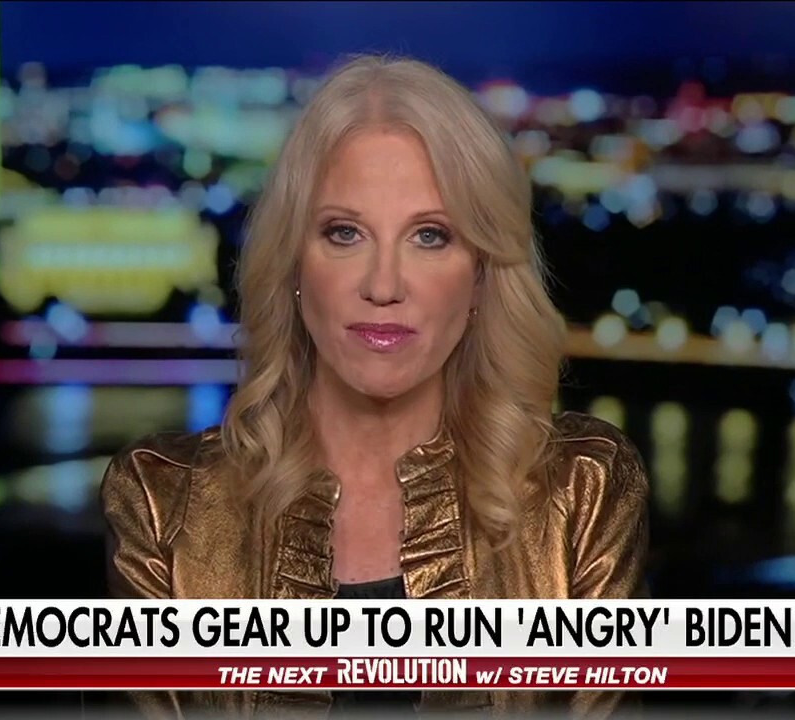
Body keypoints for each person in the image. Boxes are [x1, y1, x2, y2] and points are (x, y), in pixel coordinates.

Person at [101, 53, 650, 719]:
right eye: (345, 233)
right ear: (294, 265)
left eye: (430, 236)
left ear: (481, 274)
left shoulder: (581, 491)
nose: (383, 285)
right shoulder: (163, 503)